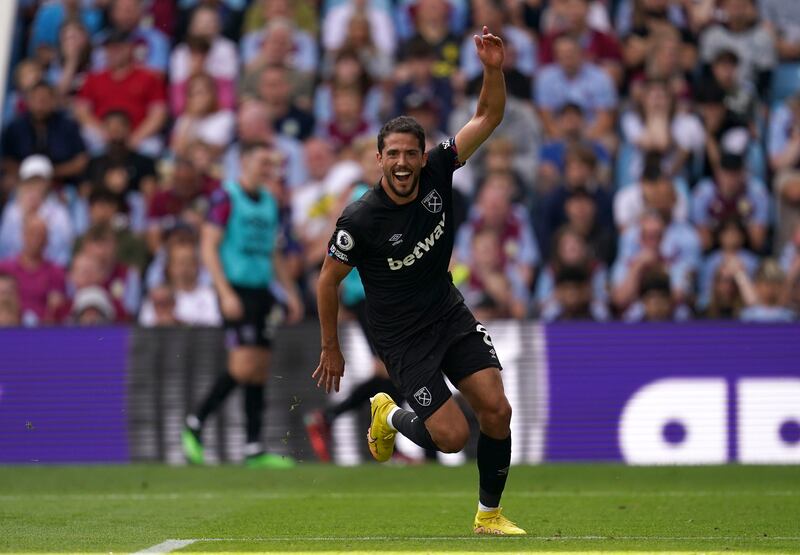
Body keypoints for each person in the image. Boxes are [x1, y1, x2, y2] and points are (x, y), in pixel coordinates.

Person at [314, 27, 525, 535]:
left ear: (421, 153)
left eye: (411, 153)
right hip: (402, 337)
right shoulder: (361, 219)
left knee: (497, 410)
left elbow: (488, 116)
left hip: (448, 313)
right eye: (394, 155)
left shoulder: (438, 170)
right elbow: (327, 282)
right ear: (379, 158)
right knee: (451, 437)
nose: (404, 163)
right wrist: (331, 347)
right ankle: (387, 417)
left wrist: (493, 69)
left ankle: (489, 516)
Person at [181, 141, 304, 469]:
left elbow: (273, 253)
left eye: (271, 163)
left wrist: (290, 293)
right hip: (235, 289)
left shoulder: (269, 203)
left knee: (259, 369)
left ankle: (253, 447)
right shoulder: (226, 197)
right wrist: (224, 293)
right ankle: (195, 423)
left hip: (261, 291)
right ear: (245, 162)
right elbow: (209, 247)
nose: (269, 169)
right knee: (242, 365)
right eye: (263, 162)